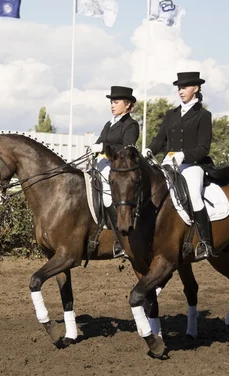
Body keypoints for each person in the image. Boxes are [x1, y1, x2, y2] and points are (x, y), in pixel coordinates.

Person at [142, 72, 214, 261]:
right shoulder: (171, 114)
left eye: (184, 88)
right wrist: (149, 150)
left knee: (195, 196)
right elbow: (160, 139)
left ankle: (206, 242)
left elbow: (204, 148)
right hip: (169, 164)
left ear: (195, 89)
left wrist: (185, 155)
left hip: (192, 164)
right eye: (179, 88)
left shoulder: (203, 115)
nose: (181, 91)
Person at [89, 86, 140, 258]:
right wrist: (94, 150)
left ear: (127, 105)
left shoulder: (131, 125)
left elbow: (127, 148)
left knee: (107, 195)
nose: (112, 105)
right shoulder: (109, 124)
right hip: (102, 163)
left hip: (119, 167)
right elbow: (100, 142)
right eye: (111, 102)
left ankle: (119, 240)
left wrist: (104, 148)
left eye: (116, 102)